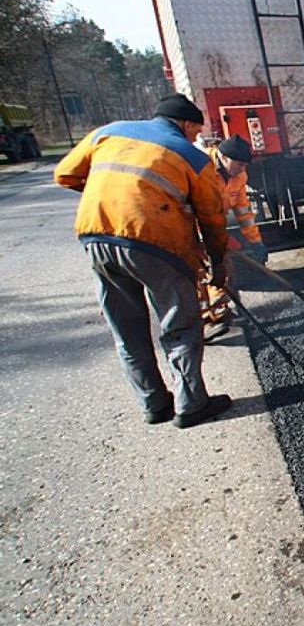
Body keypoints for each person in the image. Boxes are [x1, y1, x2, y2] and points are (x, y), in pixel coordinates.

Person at [54, 93, 233, 429]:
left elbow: (64, 174)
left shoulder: (106, 133)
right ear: (185, 122)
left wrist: (112, 197)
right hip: (156, 244)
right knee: (179, 324)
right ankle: (191, 405)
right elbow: (212, 217)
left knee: (127, 329)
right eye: (195, 130)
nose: (196, 137)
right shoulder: (190, 156)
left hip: (97, 238)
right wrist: (218, 260)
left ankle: (154, 403)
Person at [200, 134, 266, 339]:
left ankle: (222, 312)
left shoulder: (239, 176)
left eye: (245, 165)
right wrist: (218, 239)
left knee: (225, 268)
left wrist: (255, 241)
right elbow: (196, 208)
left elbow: (243, 211)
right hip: (193, 228)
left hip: (214, 227)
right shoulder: (202, 169)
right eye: (239, 164)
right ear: (223, 157)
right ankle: (205, 321)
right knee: (204, 273)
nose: (242, 170)